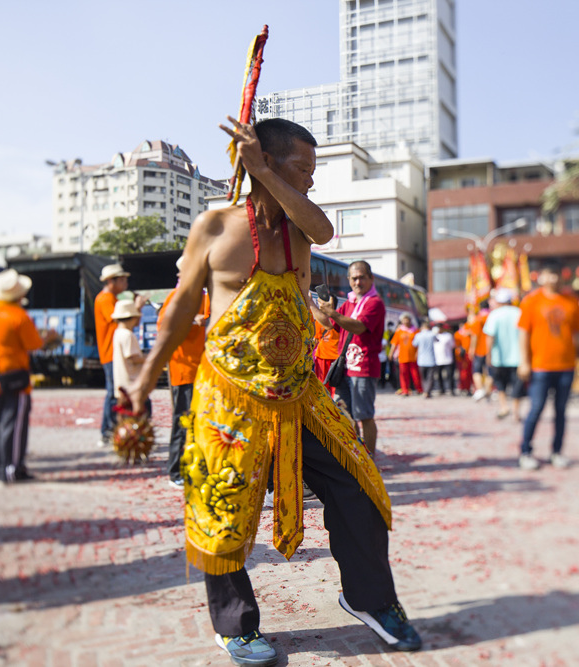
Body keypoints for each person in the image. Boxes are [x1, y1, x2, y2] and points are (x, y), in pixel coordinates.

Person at [127, 117, 420, 665]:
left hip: (300, 391)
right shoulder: (214, 225)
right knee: (223, 506)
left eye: (312, 172)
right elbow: (181, 312)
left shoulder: (301, 226)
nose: (310, 181)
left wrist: (266, 172)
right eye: (301, 169)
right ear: (263, 160)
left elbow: (326, 230)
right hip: (228, 392)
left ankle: (369, 599)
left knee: (359, 486)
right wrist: (143, 383)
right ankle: (235, 626)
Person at [0, 269, 56, 482]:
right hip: (13, 376)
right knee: (13, 424)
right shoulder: (18, 316)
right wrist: (48, 338)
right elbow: (35, 344)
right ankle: (12, 468)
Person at [517, 264, 579, 470]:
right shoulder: (531, 302)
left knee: (561, 411)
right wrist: (524, 361)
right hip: (540, 366)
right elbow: (523, 333)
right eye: (549, 274)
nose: (553, 278)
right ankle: (525, 452)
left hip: (566, 365)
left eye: (556, 273)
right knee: (536, 408)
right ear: (541, 277)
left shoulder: (572, 302)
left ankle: (556, 452)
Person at [319, 260, 386, 456]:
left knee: (364, 416)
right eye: (354, 278)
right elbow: (329, 323)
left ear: (371, 279)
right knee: (344, 415)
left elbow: (358, 326)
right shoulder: (349, 303)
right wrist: (310, 303)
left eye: (362, 277)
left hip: (364, 368)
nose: (358, 282)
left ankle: (369, 461)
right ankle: (357, 455)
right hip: (345, 369)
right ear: (348, 280)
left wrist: (331, 313)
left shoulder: (375, 303)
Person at [159, 257, 209, 488]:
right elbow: (166, 326)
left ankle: (190, 468)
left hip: (196, 368)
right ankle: (175, 472)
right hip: (184, 369)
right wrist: (192, 320)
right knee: (182, 421)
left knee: (194, 423)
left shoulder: (199, 295)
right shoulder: (179, 297)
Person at [94, 263, 147, 448]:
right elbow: (123, 321)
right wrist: (137, 307)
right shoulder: (106, 299)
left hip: (114, 352)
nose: (126, 283)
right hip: (111, 353)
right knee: (114, 394)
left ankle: (115, 431)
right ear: (111, 281)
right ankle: (108, 431)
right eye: (122, 279)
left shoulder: (111, 298)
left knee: (116, 393)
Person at [482, 288, 524, 420]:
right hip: (518, 357)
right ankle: (516, 412)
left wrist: (488, 355)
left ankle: (504, 406)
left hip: (499, 357)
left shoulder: (494, 315)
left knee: (501, 385)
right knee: (517, 384)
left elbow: (490, 337)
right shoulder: (519, 313)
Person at [389, 314, 421, 396]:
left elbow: (419, 344)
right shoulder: (399, 331)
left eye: (407, 319)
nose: (406, 321)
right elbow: (394, 343)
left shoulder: (416, 330)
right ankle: (405, 390)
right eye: (404, 319)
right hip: (402, 356)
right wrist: (391, 353)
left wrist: (418, 353)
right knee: (403, 374)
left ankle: (419, 389)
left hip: (413, 356)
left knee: (415, 374)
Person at [411, 320, 437, 398]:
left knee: (423, 377)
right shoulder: (432, 334)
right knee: (430, 377)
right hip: (431, 359)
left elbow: (414, 344)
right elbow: (437, 340)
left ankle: (425, 390)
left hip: (421, 359)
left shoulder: (418, 335)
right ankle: (427, 391)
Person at [469, 307, 491, 401]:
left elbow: (475, 336)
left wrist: (472, 348)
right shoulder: (491, 317)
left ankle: (480, 390)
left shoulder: (477, 319)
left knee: (476, 371)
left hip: (479, 350)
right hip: (490, 349)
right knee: (488, 371)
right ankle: (488, 390)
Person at [433, 323, 457, 395]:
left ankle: (451, 389)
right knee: (439, 375)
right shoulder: (433, 336)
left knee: (449, 375)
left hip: (447, 359)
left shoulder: (448, 336)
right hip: (437, 359)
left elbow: (452, 345)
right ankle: (441, 389)